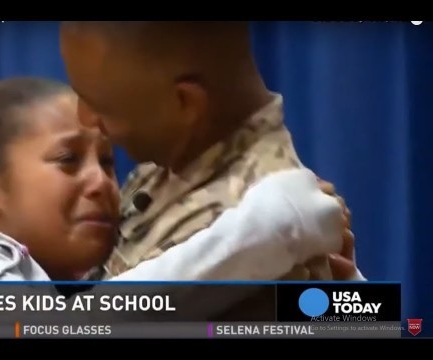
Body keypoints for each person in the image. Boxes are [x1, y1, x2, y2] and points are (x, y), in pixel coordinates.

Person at [0, 77, 345, 319]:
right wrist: (275, 227)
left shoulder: (66, 289)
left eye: (107, 163)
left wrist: (335, 301)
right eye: (68, 160)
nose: (101, 184)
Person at [59, 21, 365, 282]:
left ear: (184, 103)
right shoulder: (168, 162)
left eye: (102, 105)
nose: (86, 119)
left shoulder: (258, 238)